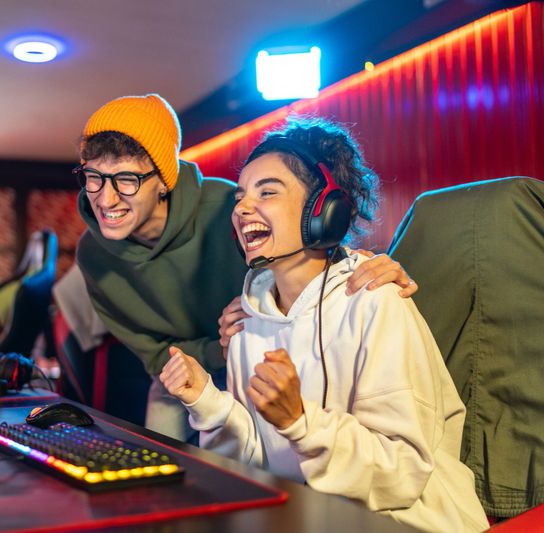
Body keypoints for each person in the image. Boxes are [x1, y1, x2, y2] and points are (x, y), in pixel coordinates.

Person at [159, 118, 488, 532]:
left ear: (324, 211)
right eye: (241, 196)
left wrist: (300, 422)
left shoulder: (375, 299)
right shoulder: (248, 318)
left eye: (268, 192)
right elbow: (255, 459)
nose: (241, 208)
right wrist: (206, 401)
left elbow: (401, 474)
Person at [75, 94, 416, 441]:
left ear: (163, 181)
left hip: (261, 353)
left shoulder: (229, 205)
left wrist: (360, 264)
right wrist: (217, 350)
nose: (106, 199)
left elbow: (299, 243)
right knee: (161, 470)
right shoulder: (92, 256)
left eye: (127, 179)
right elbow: (155, 356)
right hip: (190, 366)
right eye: (93, 178)